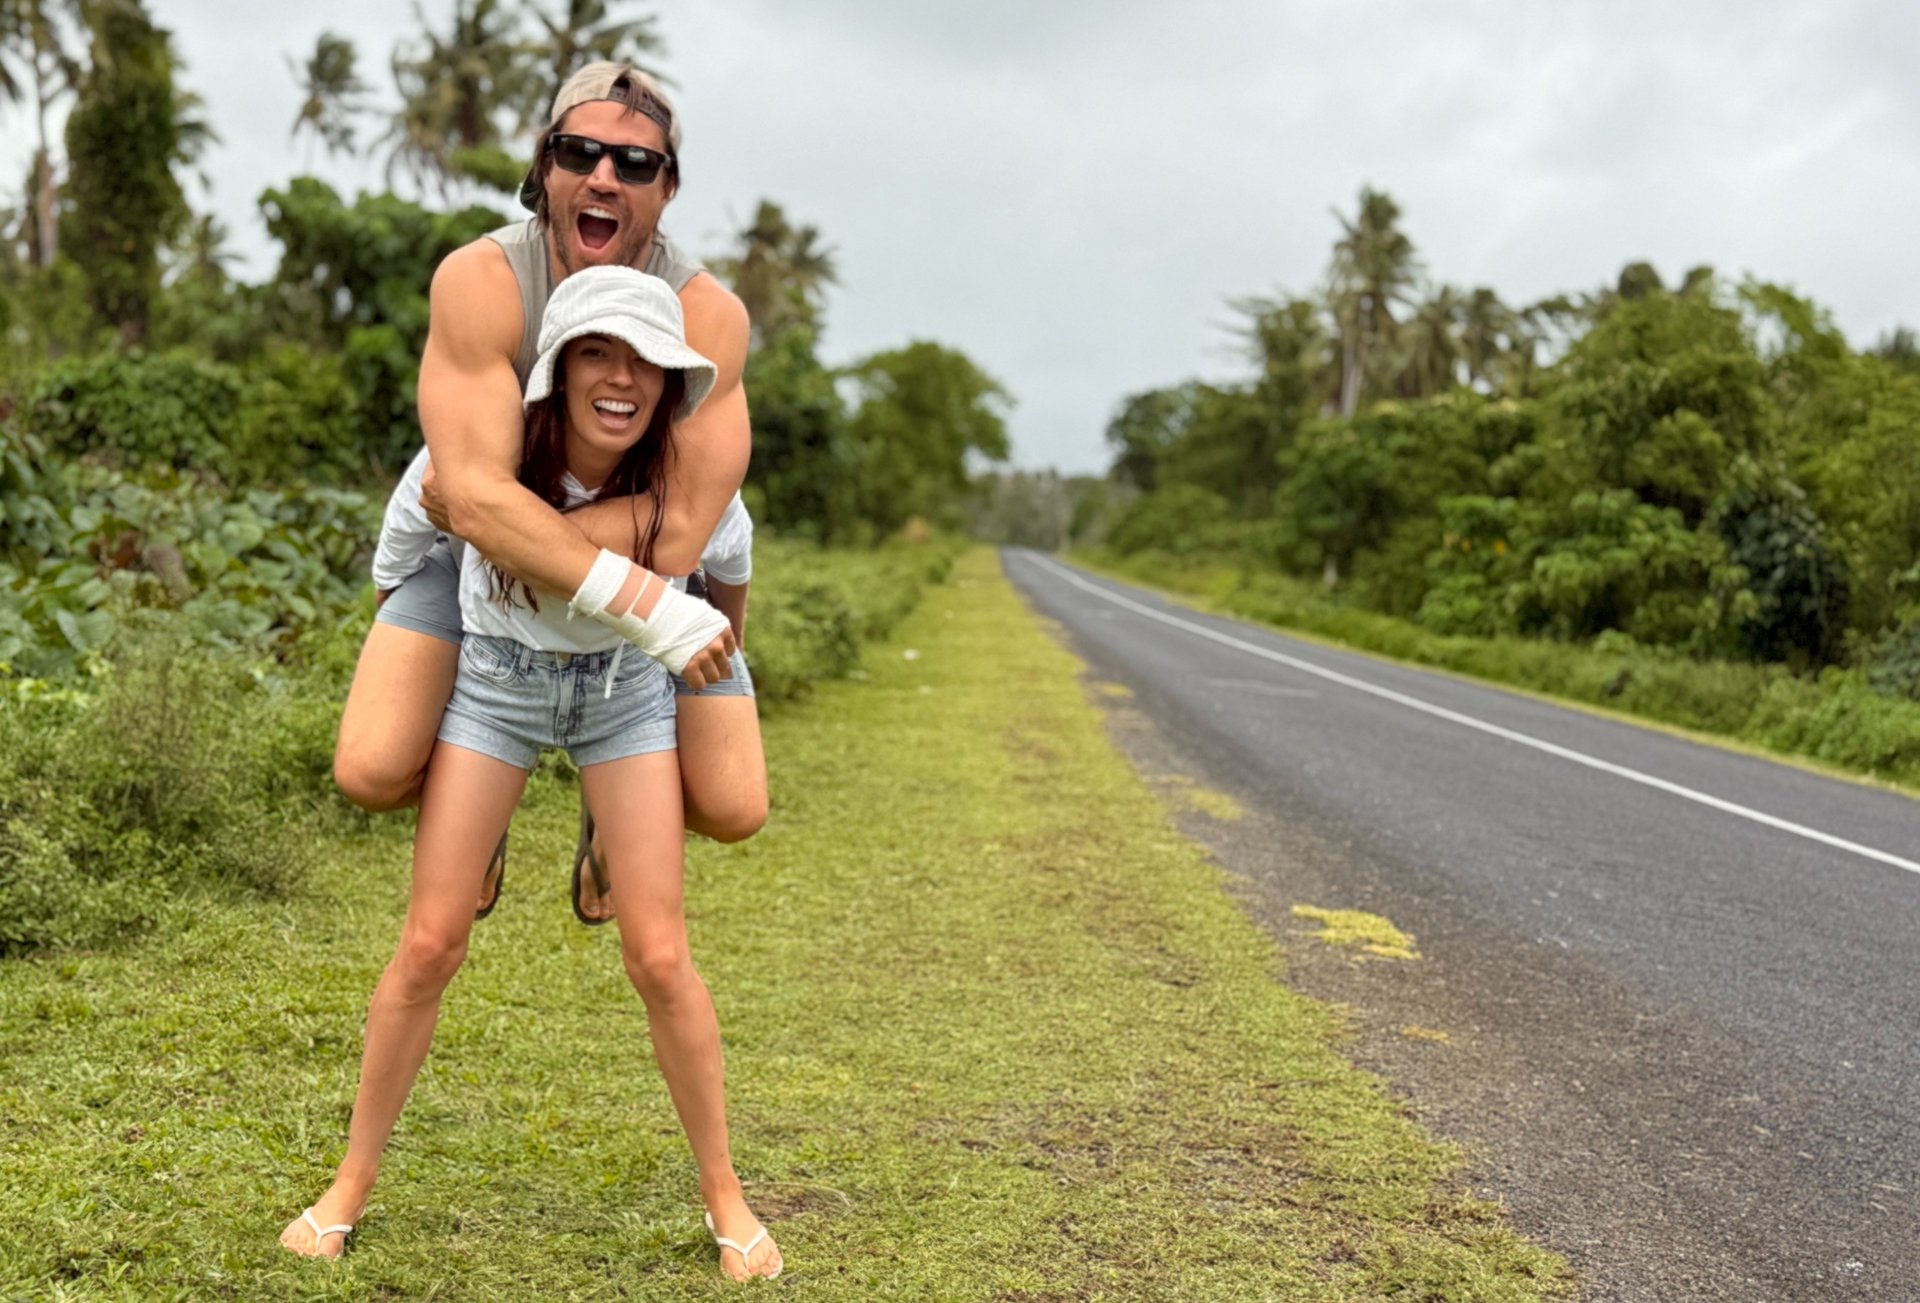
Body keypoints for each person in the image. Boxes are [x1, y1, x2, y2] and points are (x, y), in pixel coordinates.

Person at [281, 266, 783, 1281]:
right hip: (495, 690)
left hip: (624, 695)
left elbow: (729, 562)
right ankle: (347, 1183)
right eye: (598, 352)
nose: (623, 380)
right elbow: (404, 540)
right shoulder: (491, 451)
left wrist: (715, 670)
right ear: (557, 370)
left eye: (647, 364)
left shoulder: (684, 478)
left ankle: (726, 1195)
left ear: (670, 388)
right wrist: (405, 646)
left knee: (658, 954)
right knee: (429, 941)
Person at [332, 62, 765, 924]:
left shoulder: (708, 315)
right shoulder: (482, 281)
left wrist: (513, 527)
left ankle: (610, 819)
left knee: (731, 807)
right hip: (475, 574)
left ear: (667, 188)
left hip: (625, 571)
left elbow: (680, 533)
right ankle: (478, 804)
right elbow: (461, 503)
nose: (605, 175)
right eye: (580, 152)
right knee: (372, 771)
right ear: (546, 170)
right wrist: (483, 524)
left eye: (636, 163)